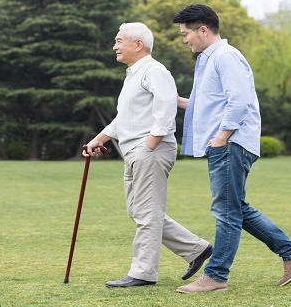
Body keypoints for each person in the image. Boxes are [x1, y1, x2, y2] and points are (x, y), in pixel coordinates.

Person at [172, 4, 291, 293]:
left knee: (226, 211)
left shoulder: (225, 56)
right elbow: (210, 105)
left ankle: (215, 276)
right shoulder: (210, 59)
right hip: (227, 143)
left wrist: (222, 137)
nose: (184, 39)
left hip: (230, 143)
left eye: (186, 33)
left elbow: (239, 101)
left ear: (203, 30)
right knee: (234, 208)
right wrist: (175, 100)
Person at [83, 22, 213, 288]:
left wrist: (149, 144)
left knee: (146, 213)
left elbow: (166, 109)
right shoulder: (133, 74)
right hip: (134, 149)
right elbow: (124, 118)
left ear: (138, 44)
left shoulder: (155, 71)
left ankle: (143, 272)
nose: (114, 46)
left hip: (149, 150)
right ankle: (196, 249)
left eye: (119, 41)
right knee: (138, 210)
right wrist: (98, 139)